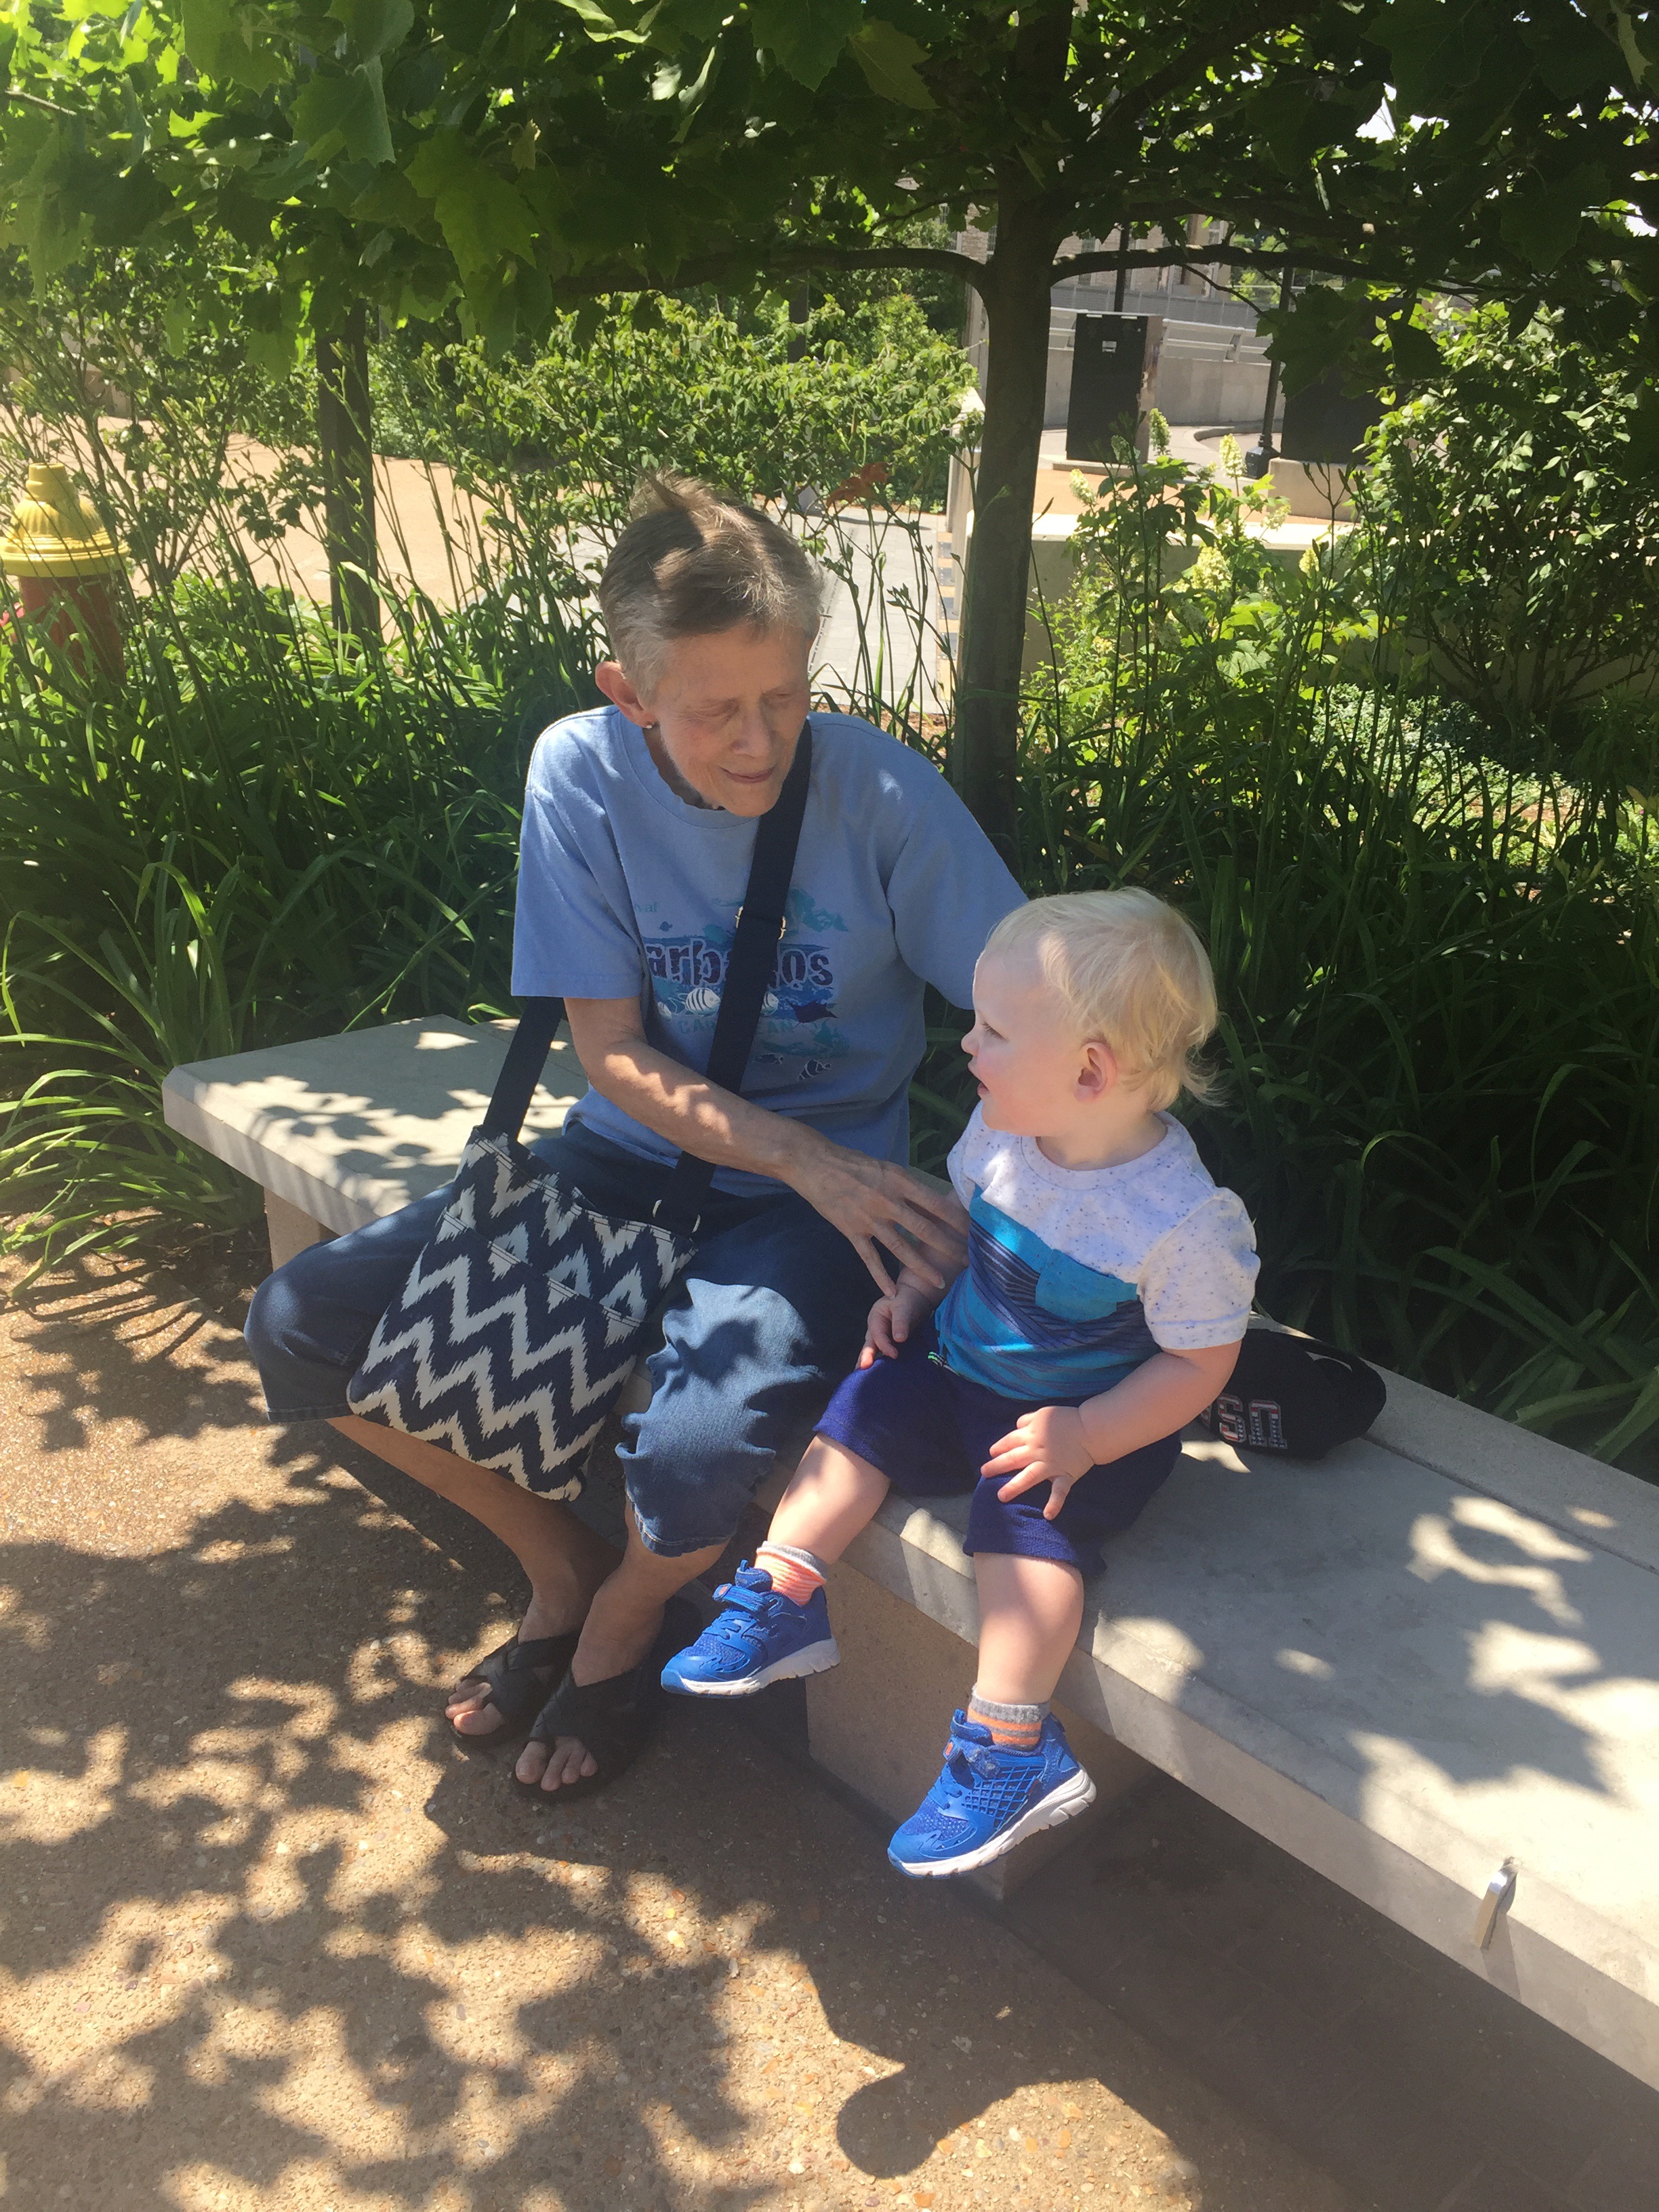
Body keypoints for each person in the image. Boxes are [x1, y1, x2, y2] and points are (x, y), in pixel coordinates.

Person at [244, 473, 1024, 1798]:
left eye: (786, 697)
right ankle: (559, 1566)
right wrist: (805, 1155)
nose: (762, 744)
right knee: (300, 1325)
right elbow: (609, 1055)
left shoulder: (883, 794)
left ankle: (624, 1611)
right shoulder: (580, 771)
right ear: (629, 691)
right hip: (640, 1155)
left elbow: (1033, 1006)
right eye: (717, 710)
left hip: (817, 1207)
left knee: (699, 1451)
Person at [661, 890, 1258, 1876]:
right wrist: (915, 1293)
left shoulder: (1182, 1221)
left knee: (1017, 1518)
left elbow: (1201, 1362)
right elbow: (969, 1241)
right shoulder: (1003, 1133)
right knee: (864, 1404)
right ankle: (784, 1591)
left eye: (995, 1032)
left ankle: (1013, 1748)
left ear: (1090, 1071)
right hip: (961, 1370)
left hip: (1084, 1424)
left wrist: (1091, 1435)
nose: (968, 1045)